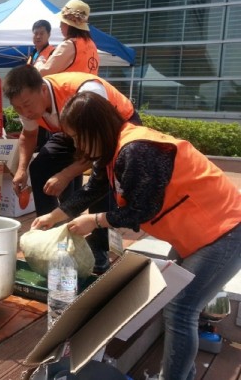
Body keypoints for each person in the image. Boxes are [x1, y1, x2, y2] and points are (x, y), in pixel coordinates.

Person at [32, 91, 241, 380]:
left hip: (225, 231)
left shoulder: (137, 150)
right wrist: (54, 217)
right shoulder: (112, 150)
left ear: (95, 128)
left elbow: (141, 210)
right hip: (198, 234)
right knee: (177, 305)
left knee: (181, 309)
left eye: (78, 137)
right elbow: (93, 189)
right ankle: (182, 374)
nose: (77, 145)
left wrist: (96, 220)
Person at [3, 66, 141, 273]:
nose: (24, 112)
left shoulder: (88, 91)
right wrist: (22, 170)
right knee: (40, 166)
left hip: (112, 129)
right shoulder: (29, 104)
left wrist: (66, 175)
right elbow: (29, 135)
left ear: (42, 90)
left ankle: (100, 247)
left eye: (26, 105)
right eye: (17, 108)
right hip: (73, 131)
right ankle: (51, 236)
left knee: (102, 178)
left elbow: (98, 146)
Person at [38, 0, 99, 77]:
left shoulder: (69, 45)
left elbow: (44, 72)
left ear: (69, 24)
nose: (60, 26)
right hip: (87, 84)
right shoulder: (92, 45)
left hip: (68, 85)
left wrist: (39, 61)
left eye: (62, 22)